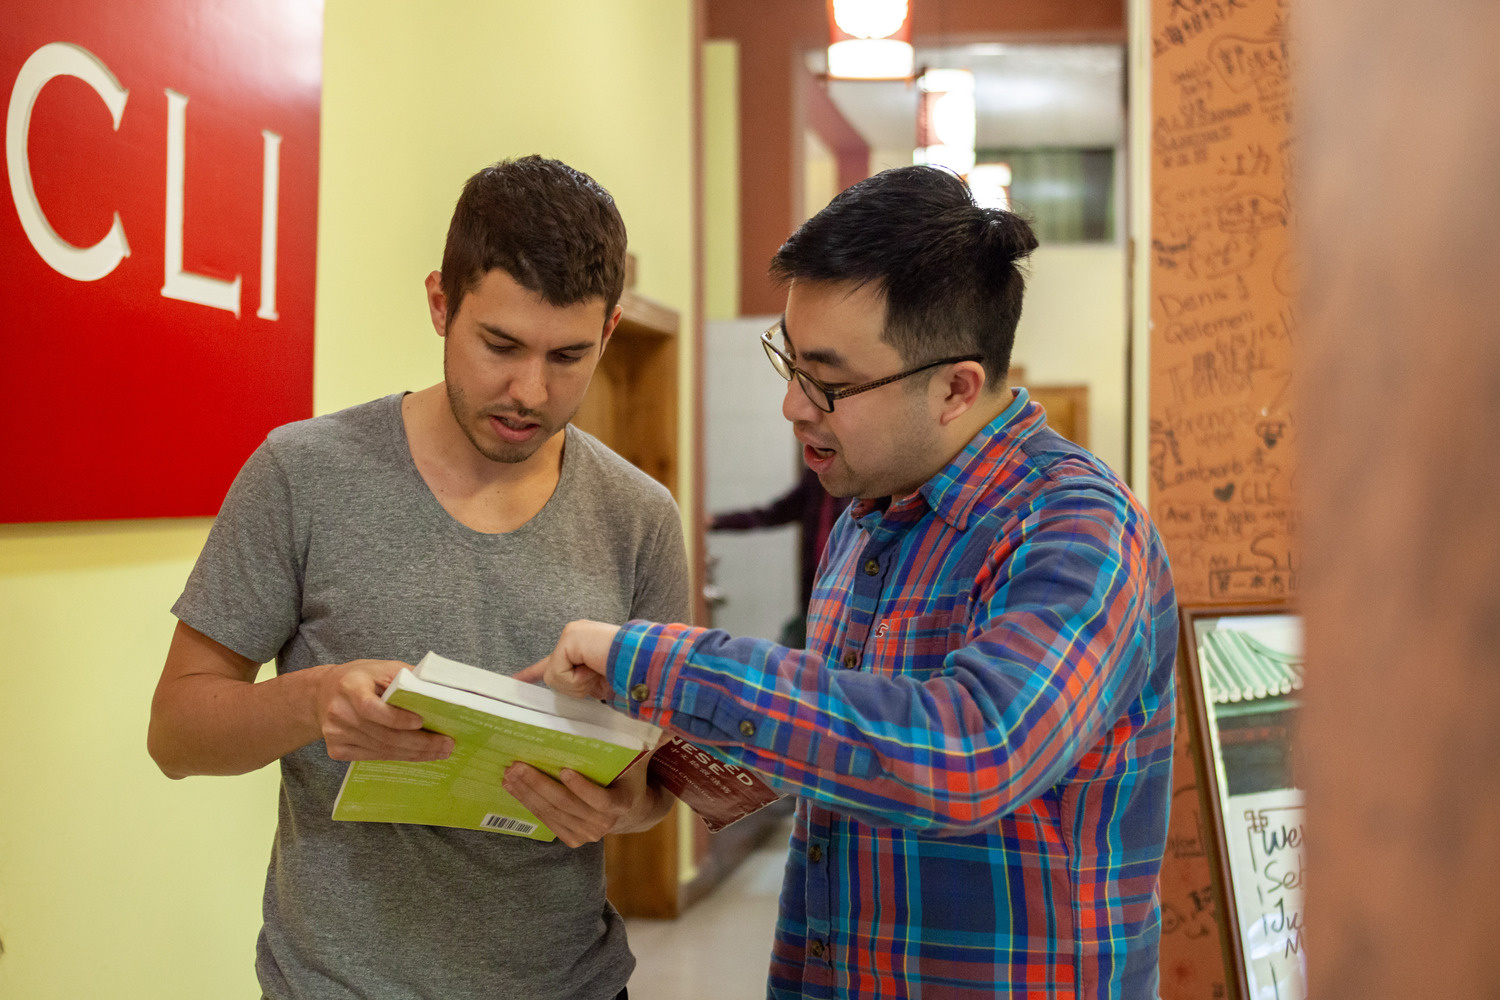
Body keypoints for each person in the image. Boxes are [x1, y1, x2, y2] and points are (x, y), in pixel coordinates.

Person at [523, 165, 1178, 999]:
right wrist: (647, 782)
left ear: (956, 386)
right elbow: (841, 738)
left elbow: (967, 753)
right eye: (789, 363)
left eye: (829, 382)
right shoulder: (872, 510)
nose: (794, 407)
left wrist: (648, 660)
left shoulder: (1077, 528)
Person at [147, 155, 689, 1000]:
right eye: (500, 345)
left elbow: (661, 777)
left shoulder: (641, 516)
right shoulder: (302, 474)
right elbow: (175, 734)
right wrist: (314, 699)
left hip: (573, 982)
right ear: (441, 303)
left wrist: (624, 808)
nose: (529, 391)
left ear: (611, 333)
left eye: (568, 356)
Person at [708, 465, 851, 646]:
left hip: (848, 604)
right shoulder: (815, 479)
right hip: (813, 601)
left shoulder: (865, 487)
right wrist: (715, 522)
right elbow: (770, 515)